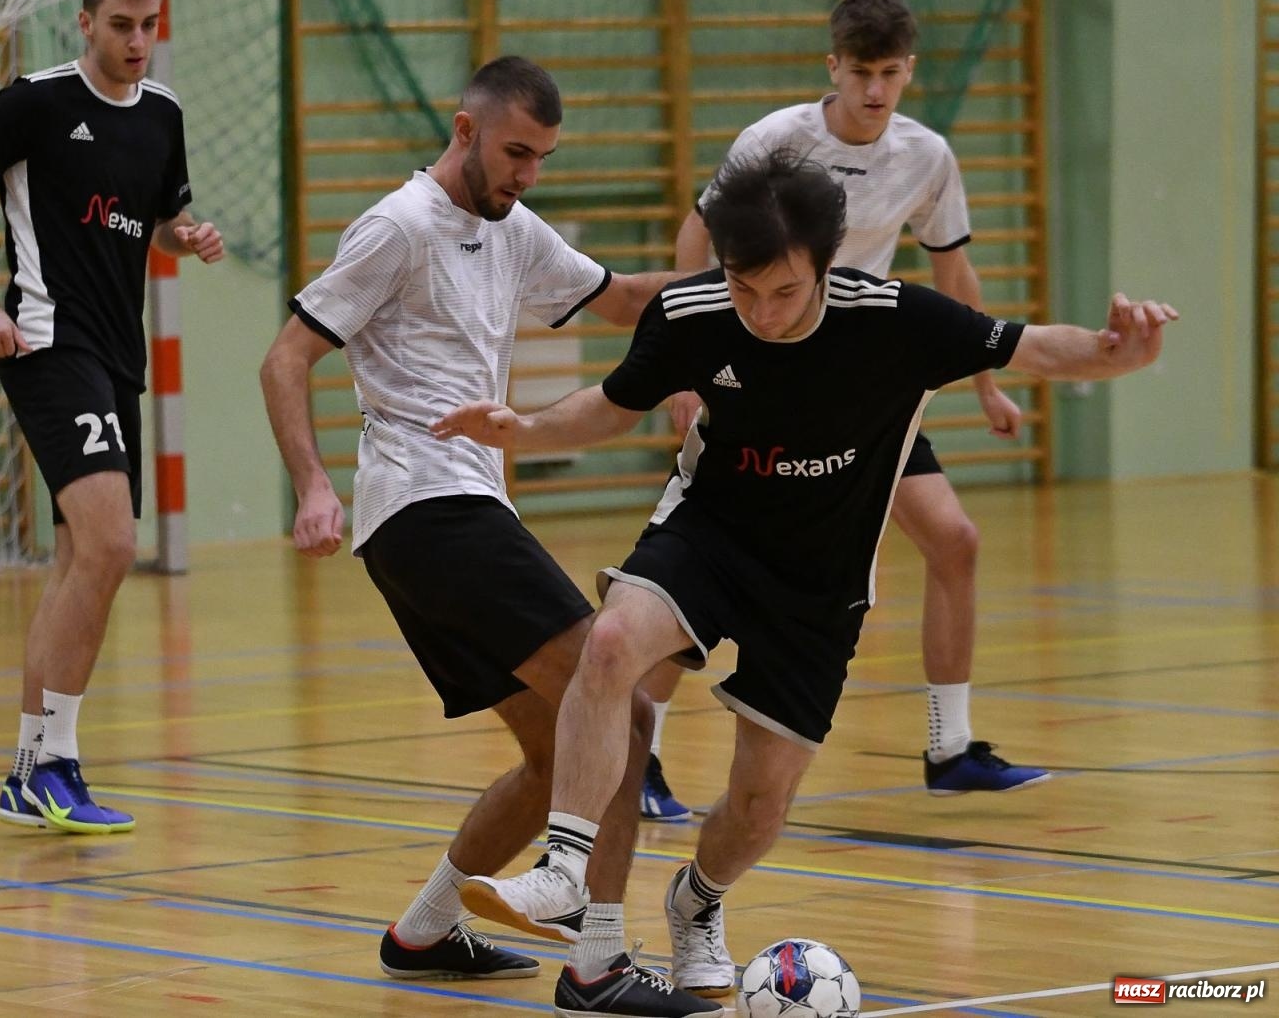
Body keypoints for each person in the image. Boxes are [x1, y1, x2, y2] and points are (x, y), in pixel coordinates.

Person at [434, 148, 1176, 998]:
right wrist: (520, 427)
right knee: (609, 646)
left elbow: (1035, 348)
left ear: (828, 265)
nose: (762, 312)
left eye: (785, 292)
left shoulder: (896, 319)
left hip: (821, 580)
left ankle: (696, 903)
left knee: (757, 811)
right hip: (709, 534)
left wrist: (1121, 354)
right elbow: (608, 406)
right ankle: (566, 867)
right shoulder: (694, 313)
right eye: (745, 288)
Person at [261, 55, 720, 1018]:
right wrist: (310, 484)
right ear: (465, 132)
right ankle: (597, 965)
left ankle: (422, 932)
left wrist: (748, 275)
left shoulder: (511, 226)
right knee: (624, 711)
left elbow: (630, 301)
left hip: (450, 518)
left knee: (562, 754)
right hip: (430, 510)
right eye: (516, 152)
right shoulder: (399, 225)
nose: (528, 175)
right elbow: (286, 355)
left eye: (543, 158)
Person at [641, 0, 1044, 820]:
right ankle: (640, 760)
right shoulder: (776, 142)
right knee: (688, 576)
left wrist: (988, 382)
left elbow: (954, 280)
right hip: (762, 377)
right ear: (834, 66)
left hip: (863, 389)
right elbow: (693, 245)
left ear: (908, 72)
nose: (875, 90)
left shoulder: (926, 156)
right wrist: (683, 369)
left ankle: (952, 747)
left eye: (890, 73)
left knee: (955, 540)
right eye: (861, 72)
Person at [0, 0, 224, 835]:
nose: (137, 41)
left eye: (150, 25)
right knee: (112, 545)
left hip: (115, 355)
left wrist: (185, 235)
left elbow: (156, 221)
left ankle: (31, 770)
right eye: (121, 25)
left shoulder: (163, 115)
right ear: (85, 23)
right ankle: (53, 759)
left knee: (77, 563)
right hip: (49, 343)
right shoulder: (37, 101)